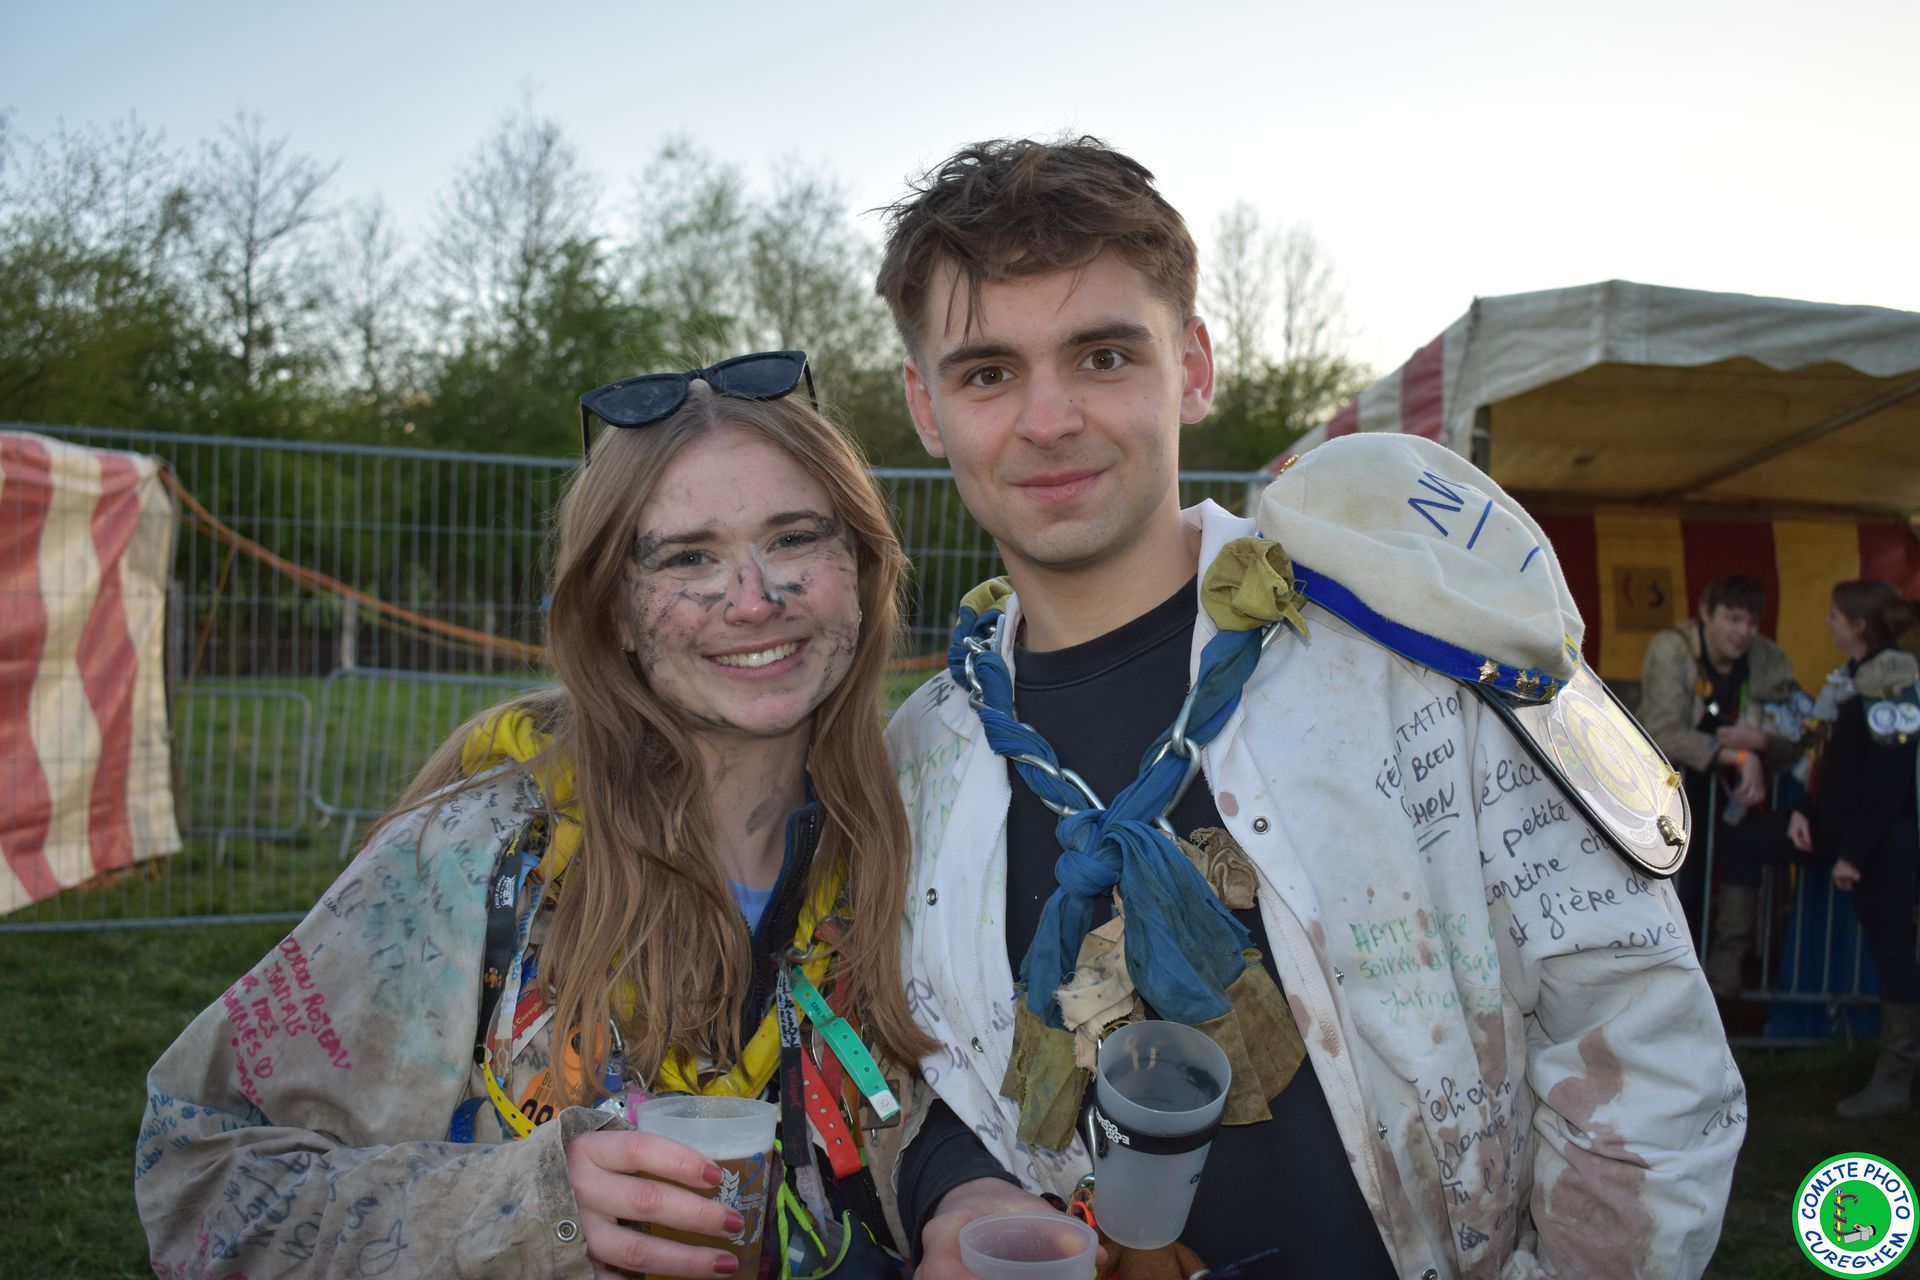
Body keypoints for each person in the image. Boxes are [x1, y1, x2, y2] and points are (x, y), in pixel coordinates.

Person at [875, 137, 1744, 1279]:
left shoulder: (1416, 644)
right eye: (987, 373)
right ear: (925, 407)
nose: (1048, 419)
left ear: (1193, 366)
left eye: (1103, 355)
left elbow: (1644, 1057)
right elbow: (909, 1074)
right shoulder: (913, 763)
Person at [135, 355, 935, 1279]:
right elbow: (199, 1179)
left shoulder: (927, 840)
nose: (755, 599)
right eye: (689, 557)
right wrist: (531, 1211)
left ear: (861, 568)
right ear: (614, 612)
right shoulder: (465, 859)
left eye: (794, 539)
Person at [1787, 579, 1920, 1117]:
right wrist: (1805, 807)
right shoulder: (1853, 677)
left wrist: (1854, 855)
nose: (1828, 623)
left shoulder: (1891, 681)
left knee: (1896, 957)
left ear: (1860, 625)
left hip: (1886, 847)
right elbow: (1833, 761)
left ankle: (1895, 1081)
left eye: (1835, 615)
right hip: (1860, 840)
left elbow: (1888, 783)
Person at [1638, 575, 1806, 997]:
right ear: (1705, 613)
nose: (1743, 632)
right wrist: (1740, 757)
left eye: (1752, 622)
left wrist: (1761, 742)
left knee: (1738, 871)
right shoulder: (1672, 648)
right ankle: (1665, 985)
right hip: (1670, 798)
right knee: (1676, 890)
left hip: (1740, 802)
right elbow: (1659, 730)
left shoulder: (1768, 658)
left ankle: (1723, 987)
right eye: (1733, 619)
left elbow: (1800, 734)